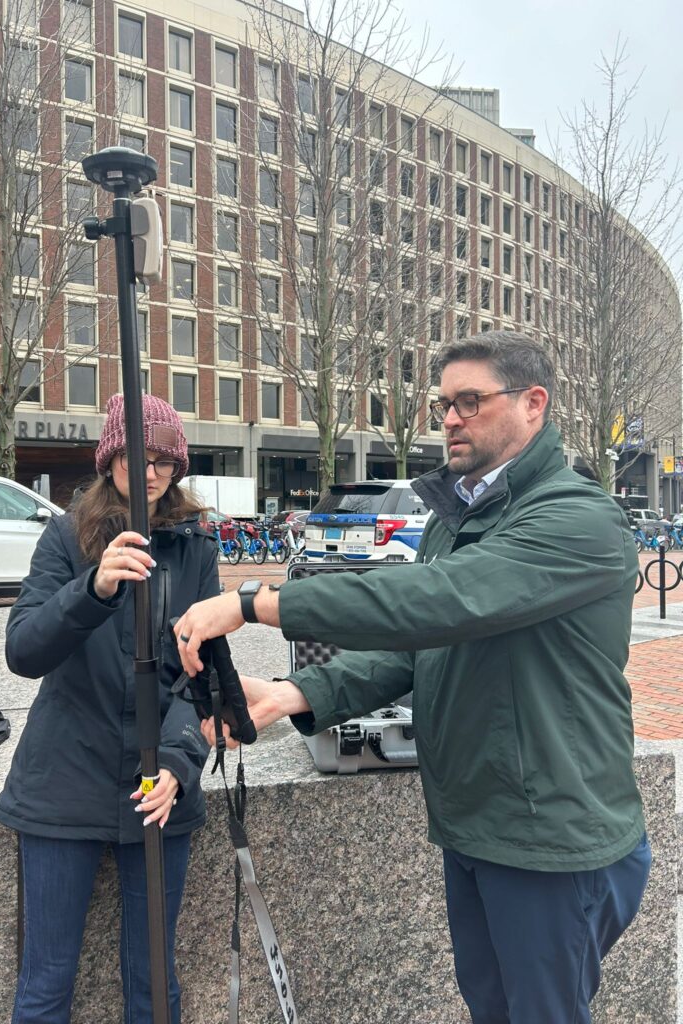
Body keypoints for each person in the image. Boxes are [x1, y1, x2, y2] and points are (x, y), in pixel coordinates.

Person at [173, 332, 651, 1024]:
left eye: (469, 401)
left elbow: (435, 601)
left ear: (533, 404)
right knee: (492, 1007)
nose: (451, 418)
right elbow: (417, 646)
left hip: (551, 836)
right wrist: (296, 694)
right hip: (476, 826)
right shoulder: (459, 517)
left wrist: (252, 603)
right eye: (443, 405)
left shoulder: (577, 519)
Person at [0, 393, 215, 1024]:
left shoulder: (195, 545)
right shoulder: (66, 536)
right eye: (134, 454)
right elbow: (24, 649)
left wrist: (176, 760)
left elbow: (198, 679)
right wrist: (91, 588)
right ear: (110, 455)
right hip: (64, 784)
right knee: (46, 982)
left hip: (159, 787)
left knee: (154, 982)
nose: (149, 471)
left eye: (165, 460)